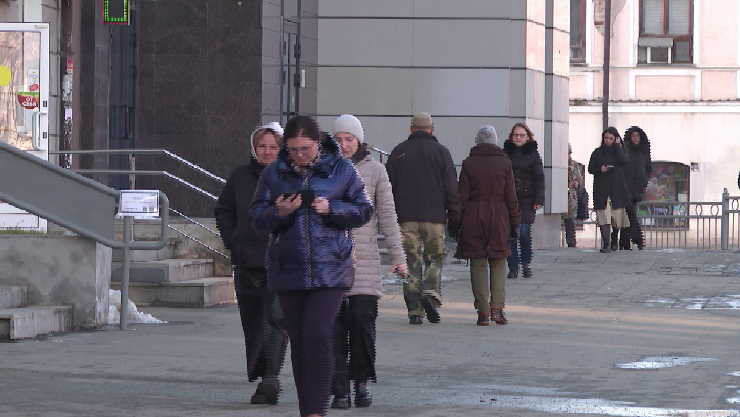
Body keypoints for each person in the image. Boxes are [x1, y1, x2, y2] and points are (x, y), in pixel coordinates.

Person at [250, 115, 373, 417]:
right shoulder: (274, 173)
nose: (299, 156)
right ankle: (309, 410)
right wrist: (278, 211)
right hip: (287, 267)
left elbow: (363, 210)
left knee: (317, 332)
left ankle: (317, 411)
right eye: (292, 149)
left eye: (304, 149)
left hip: (331, 266)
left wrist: (333, 208)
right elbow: (256, 217)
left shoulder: (342, 169)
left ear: (319, 144)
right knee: (300, 339)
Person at [329, 114, 407, 409]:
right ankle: (339, 389)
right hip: (330, 261)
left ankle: (360, 382)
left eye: (349, 139)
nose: (344, 145)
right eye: (338, 140)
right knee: (334, 328)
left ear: (359, 141)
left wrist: (398, 258)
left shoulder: (375, 171)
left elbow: (387, 215)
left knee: (362, 324)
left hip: (364, 263)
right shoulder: (323, 170)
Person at [214, 122, 288, 405]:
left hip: (280, 261)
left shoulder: (289, 177)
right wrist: (234, 238)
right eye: (262, 147)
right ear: (254, 148)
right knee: (254, 323)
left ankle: (271, 377)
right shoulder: (241, 176)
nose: (267, 152)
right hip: (247, 262)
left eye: (273, 147)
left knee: (275, 319)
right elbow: (223, 209)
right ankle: (262, 377)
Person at [386, 112, 462, 325]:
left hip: (405, 218)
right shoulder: (442, 153)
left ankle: (415, 312)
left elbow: (387, 188)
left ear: (410, 129)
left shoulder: (398, 152)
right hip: (434, 218)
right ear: (431, 129)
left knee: (410, 263)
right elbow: (451, 190)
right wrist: (455, 218)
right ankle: (429, 289)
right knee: (435, 258)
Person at [454, 126, 520, 326]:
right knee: (499, 261)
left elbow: (461, 197)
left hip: (473, 215)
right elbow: (511, 196)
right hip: (499, 215)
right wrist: (515, 221)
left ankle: (482, 312)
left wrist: (456, 222)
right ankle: (497, 309)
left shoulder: (468, 164)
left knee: (477, 263)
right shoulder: (504, 163)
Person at [503, 123, 545, 278]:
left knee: (523, 232)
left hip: (527, 199)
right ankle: (513, 267)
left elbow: (539, 178)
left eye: (521, 135)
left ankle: (526, 264)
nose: (518, 138)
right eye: (515, 135)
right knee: (510, 233)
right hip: (509, 199)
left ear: (528, 137)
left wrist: (539, 199)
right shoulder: (505, 153)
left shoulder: (533, 154)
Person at [588, 127, 631, 253]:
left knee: (616, 217)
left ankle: (614, 240)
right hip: (602, 189)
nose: (607, 141)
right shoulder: (597, 152)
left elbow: (624, 161)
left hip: (617, 189)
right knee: (603, 216)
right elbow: (590, 168)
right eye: (606, 138)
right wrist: (600, 169)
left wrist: (617, 147)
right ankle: (605, 243)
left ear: (615, 139)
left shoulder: (619, 151)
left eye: (610, 138)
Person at [620, 126, 650, 250]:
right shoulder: (625, 152)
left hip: (637, 191)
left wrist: (643, 184)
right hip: (624, 190)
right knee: (630, 215)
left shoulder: (643, 154)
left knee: (627, 217)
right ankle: (638, 239)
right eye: (633, 135)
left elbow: (648, 170)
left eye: (637, 136)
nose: (635, 138)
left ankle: (624, 244)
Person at [562, 145, 584, 248]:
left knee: (570, 219)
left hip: (570, 196)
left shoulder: (574, 164)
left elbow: (579, 179)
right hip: (559, 193)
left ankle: (571, 242)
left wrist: (577, 183)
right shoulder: (558, 163)